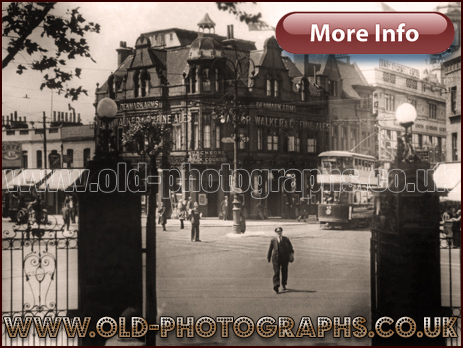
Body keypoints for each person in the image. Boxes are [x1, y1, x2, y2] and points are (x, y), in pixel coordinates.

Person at [267, 227, 294, 294]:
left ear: (282, 232)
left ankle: (284, 284)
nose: (279, 232)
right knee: (276, 272)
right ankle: (276, 285)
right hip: (276, 259)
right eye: (277, 231)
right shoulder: (273, 240)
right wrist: (268, 257)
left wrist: (291, 255)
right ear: (276, 232)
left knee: (284, 272)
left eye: (280, 231)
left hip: (284, 258)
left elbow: (291, 248)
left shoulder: (286, 239)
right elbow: (270, 249)